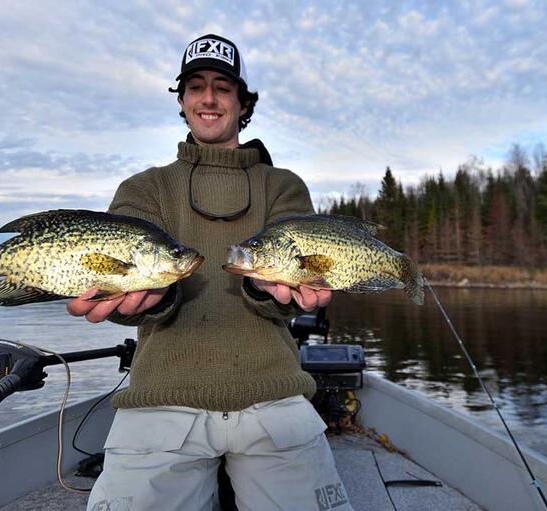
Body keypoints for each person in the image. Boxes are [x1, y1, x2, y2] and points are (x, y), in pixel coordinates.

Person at [68, 34, 352, 511]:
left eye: (223, 87)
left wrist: (270, 290)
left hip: (274, 396)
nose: (209, 98)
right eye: (196, 86)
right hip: (161, 397)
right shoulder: (144, 188)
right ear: (181, 101)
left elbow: (290, 283)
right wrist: (148, 297)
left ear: (243, 104)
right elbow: (124, 283)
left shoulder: (283, 186)